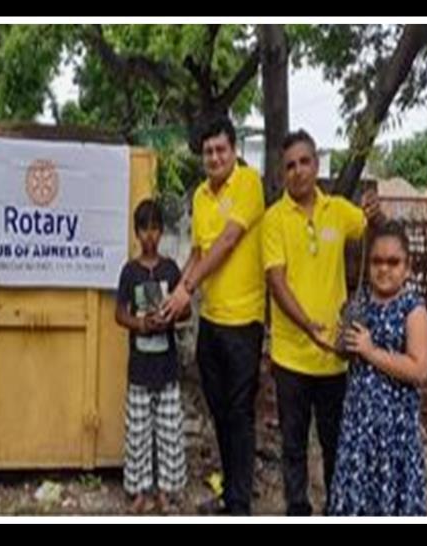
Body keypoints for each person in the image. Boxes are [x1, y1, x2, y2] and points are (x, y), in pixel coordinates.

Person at [261, 129, 383, 516]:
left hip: (334, 355)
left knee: (335, 443)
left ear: (316, 165)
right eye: (290, 166)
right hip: (291, 357)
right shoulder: (274, 219)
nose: (298, 171)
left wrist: (376, 214)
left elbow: (373, 232)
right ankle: (298, 509)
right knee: (293, 444)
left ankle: (337, 508)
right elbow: (276, 281)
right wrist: (307, 326)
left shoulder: (339, 210)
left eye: (304, 162)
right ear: (281, 174)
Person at [162, 115, 266, 515]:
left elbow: (227, 242)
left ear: (234, 150)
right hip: (212, 321)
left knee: (239, 412)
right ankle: (231, 492)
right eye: (208, 151)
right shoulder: (201, 196)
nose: (215, 157)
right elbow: (199, 252)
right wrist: (176, 292)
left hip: (243, 322)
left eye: (221, 149)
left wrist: (187, 287)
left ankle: (240, 504)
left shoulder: (249, 183)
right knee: (220, 411)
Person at [329, 220, 427, 516]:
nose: (384, 269)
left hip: (394, 435)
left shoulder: (414, 310)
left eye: (393, 262)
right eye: (376, 261)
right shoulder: (361, 302)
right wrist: (341, 341)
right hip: (358, 429)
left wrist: (371, 351)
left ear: (407, 267)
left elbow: (419, 370)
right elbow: (346, 353)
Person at [115, 199, 189, 514]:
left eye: (155, 228)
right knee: (138, 434)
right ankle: (140, 492)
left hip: (167, 368)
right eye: (144, 229)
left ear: (162, 232)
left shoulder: (171, 269)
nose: (150, 235)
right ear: (136, 233)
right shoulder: (130, 272)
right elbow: (119, 314)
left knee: (170, 433)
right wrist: (142, 324)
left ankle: (166, 492)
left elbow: (186, 311)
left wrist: (170, 316)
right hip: (140, 370)